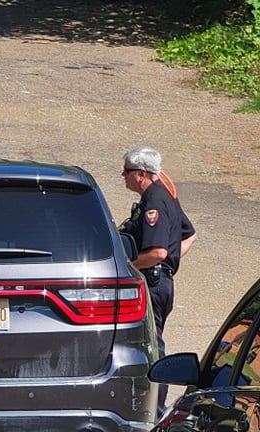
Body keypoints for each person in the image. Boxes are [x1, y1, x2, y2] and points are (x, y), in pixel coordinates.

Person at [118, 146, 196, 414]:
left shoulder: (155, 201)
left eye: (126, 171)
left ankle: (156, 410)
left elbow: (158, 252)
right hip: (161, 281)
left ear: (141, 173)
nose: (123, 175)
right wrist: (169, 264)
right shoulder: (164, 195)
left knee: (151, 346)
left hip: (153, 284)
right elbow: (189, 235)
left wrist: (131, 266)